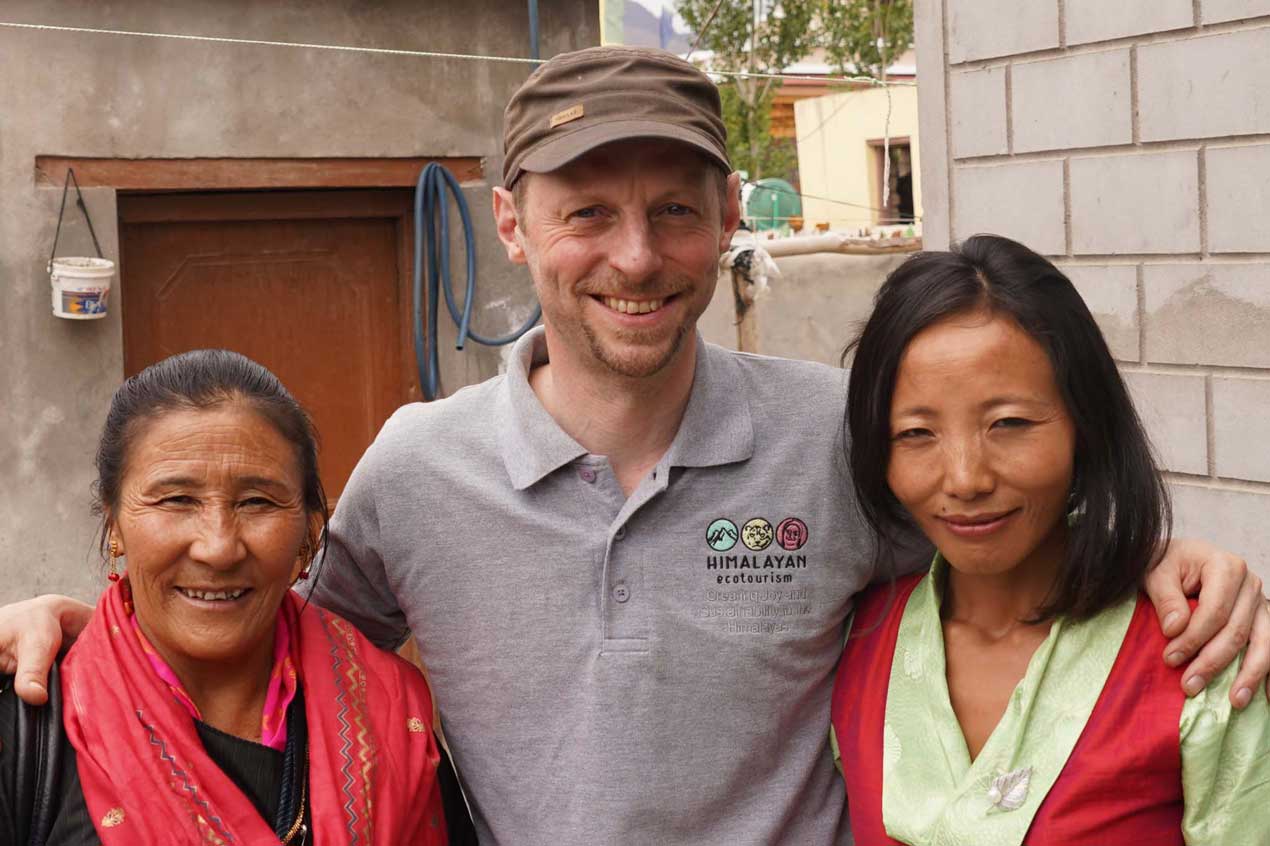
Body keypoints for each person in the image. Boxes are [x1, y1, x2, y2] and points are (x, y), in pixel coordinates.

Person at [1, 48, 1268, 845]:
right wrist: (76, 613)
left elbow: (990, 542)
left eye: (673, 210)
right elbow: (273, 638)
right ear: (510, 222)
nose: (634, 255)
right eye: (586, 213)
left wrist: (1155, 556)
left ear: (728, 215)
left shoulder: (834, 436)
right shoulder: (414, 468)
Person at [832, 235, 1270, 844]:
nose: (965, 479)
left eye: (1008, 423)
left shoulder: (1205, 653)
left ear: (1085, 426)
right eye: (915, 434)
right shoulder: (855, 640)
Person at [0, 350, 450, 845]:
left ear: (309, 532)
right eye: (176, 500)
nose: (218, 548)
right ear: (115, 526)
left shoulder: (389, 719)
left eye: (257, 502)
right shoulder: (28, 727)